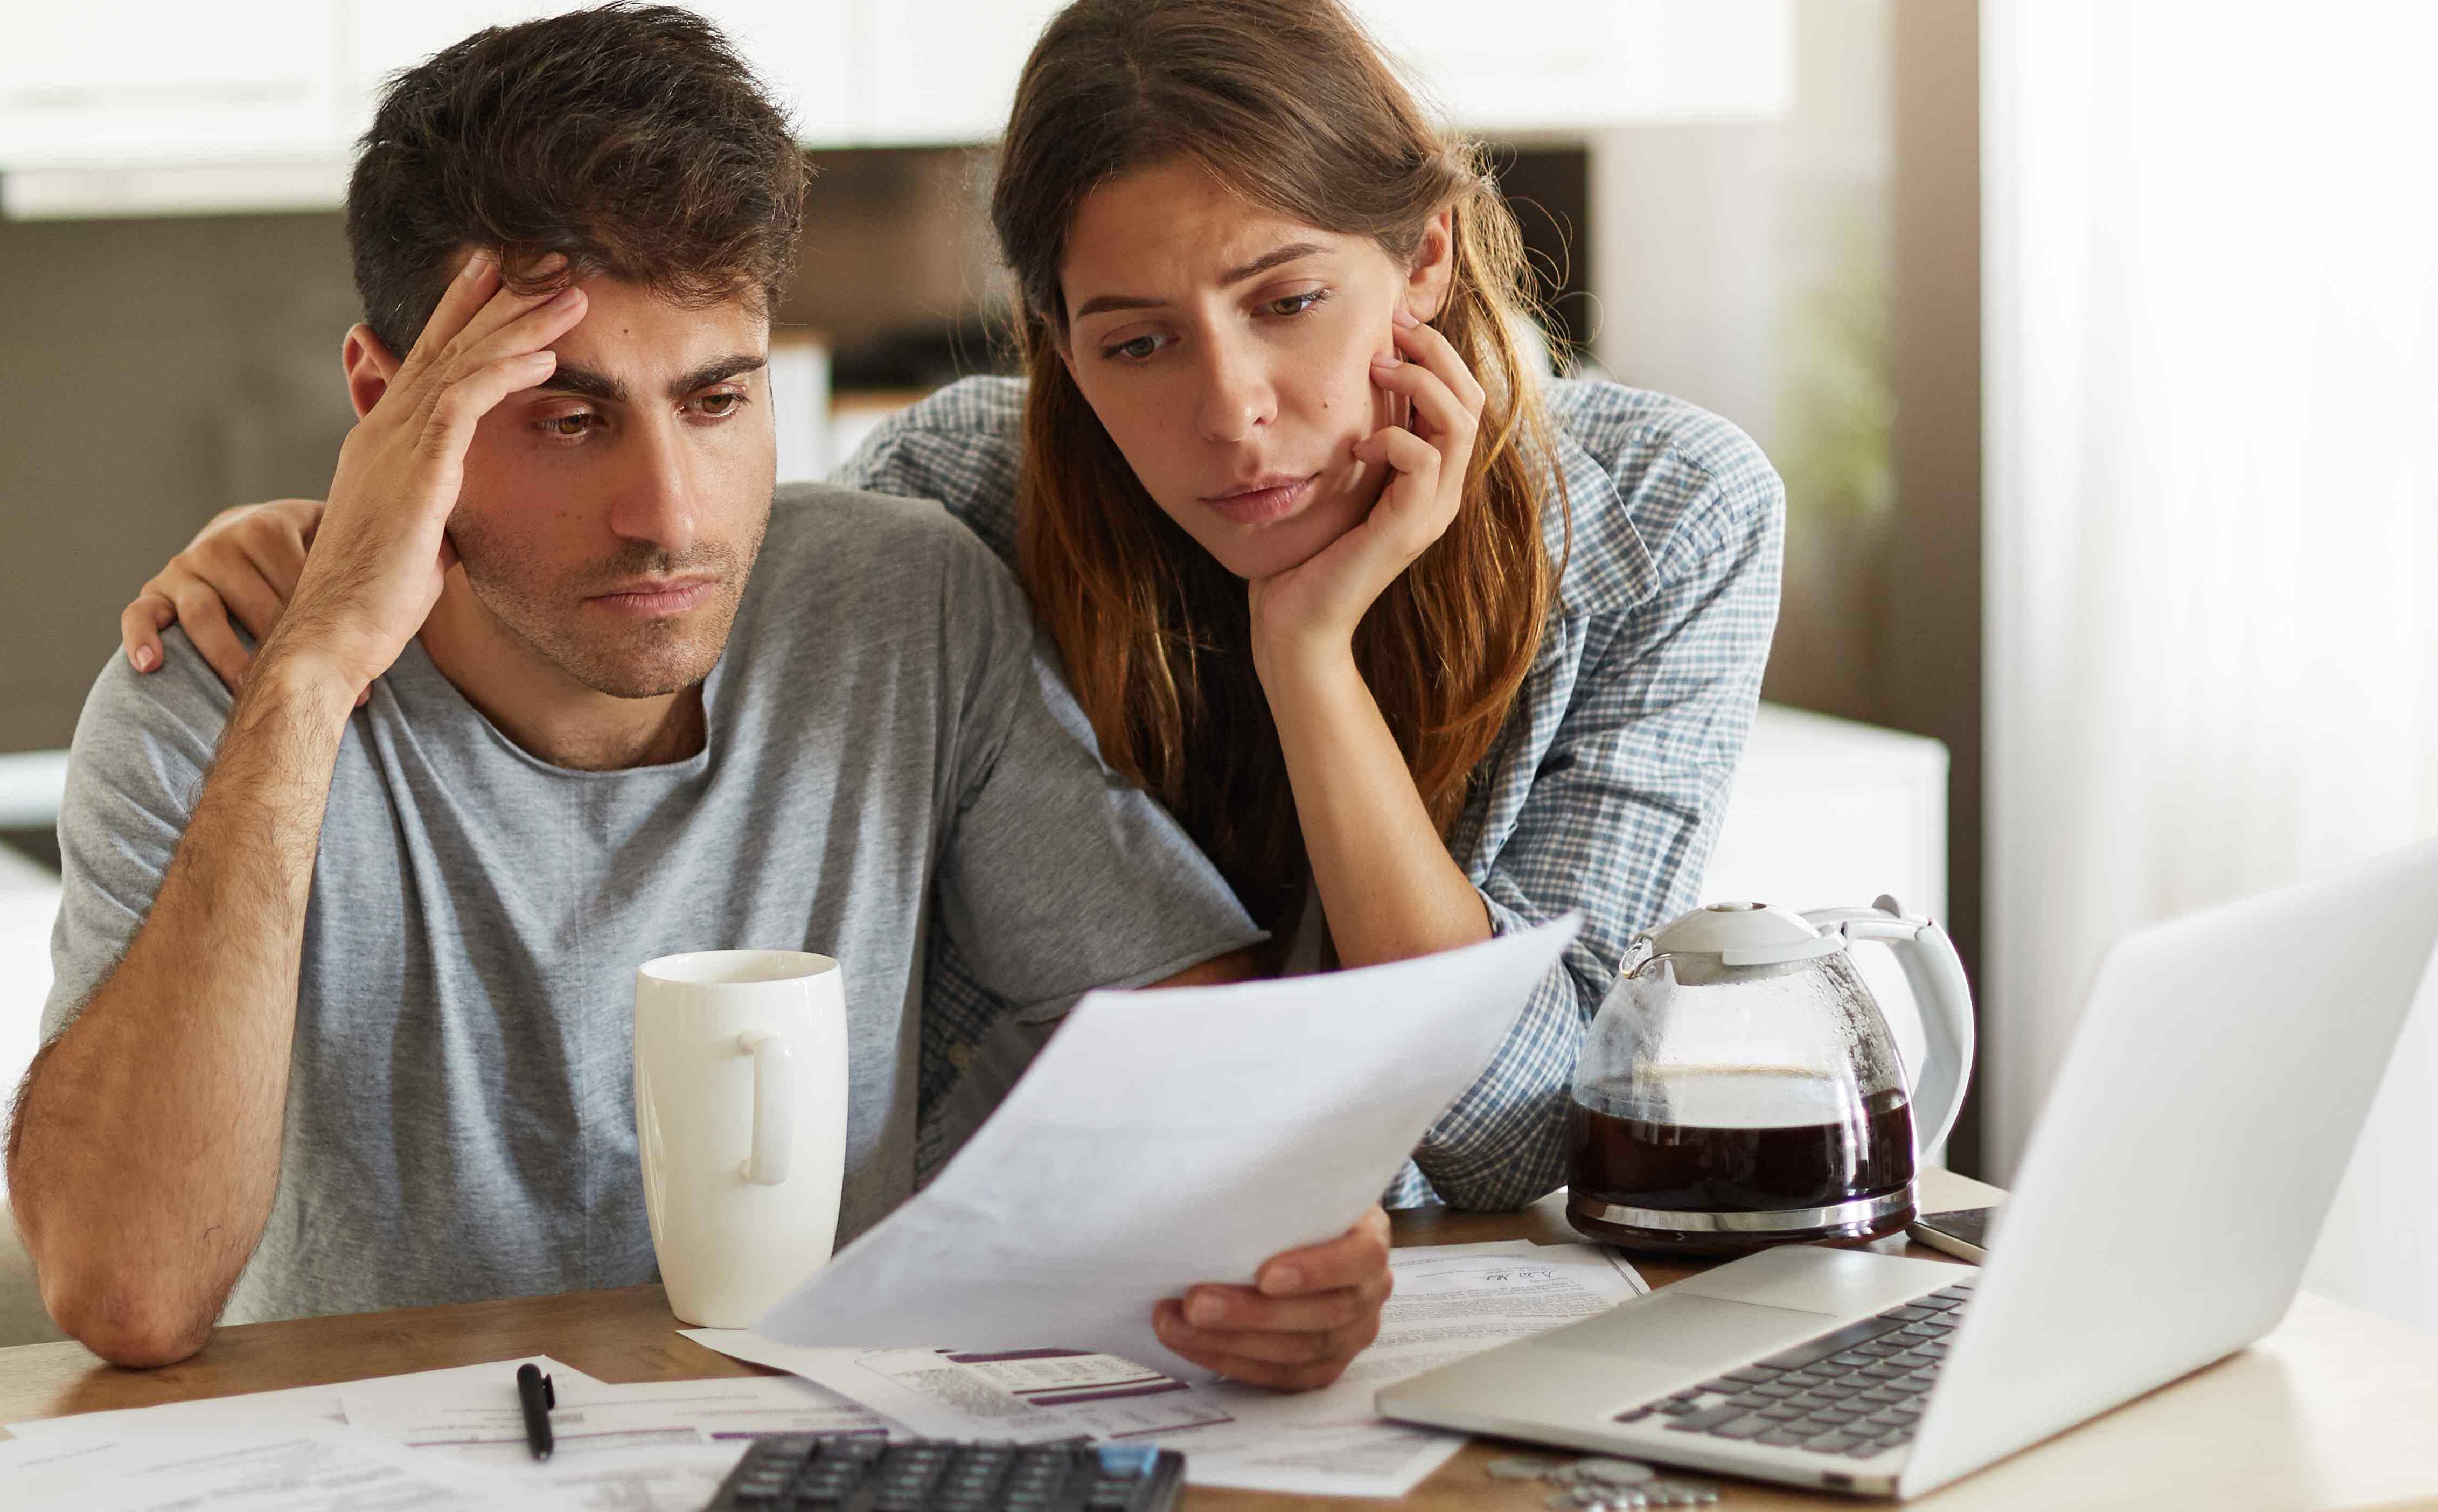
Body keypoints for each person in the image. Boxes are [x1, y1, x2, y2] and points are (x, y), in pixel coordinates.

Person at [115, 0, 1788, 1340]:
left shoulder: (1664, 522)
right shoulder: (963, 506)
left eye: (1285, 301)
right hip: (1022, 1324)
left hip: (1399, 1313)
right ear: (1053, 337)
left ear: (1419, 259)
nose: (1230, 411)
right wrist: (351, 555)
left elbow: (1505, 1137)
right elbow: (669, 584)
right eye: (1131, 340)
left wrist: (1309, 657)